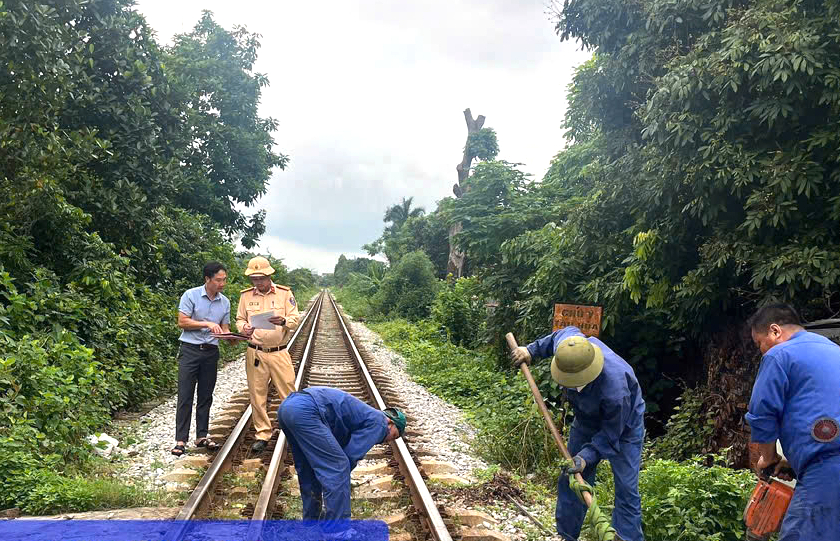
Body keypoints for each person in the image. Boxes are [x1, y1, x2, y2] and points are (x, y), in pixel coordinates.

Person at [512, 327, 645, 541]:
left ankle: (626, 537)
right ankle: (567, 535)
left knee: (626, 489)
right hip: (586, 420)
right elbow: (560, 334)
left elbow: (611, 434)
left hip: (624, 426)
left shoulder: (615, 392)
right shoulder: (569, 345)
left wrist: (586, 457)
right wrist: (530, 351)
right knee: (571, 476)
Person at [745, 303, 840, 540]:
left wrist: (768, 457)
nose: (761, 351)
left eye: (759, 344)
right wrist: (793, 465)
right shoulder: (832, 349)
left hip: (826, 467)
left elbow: (762, 413)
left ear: (775, 331)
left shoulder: (779, 355)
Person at [277, 386, 405, 522]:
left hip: (287, 407)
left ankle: (311, 521)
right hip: (307, 411)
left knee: (308, 469)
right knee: (338, 467)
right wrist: (334, 481)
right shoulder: (380, 423)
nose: (388, 440)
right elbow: (349, 457)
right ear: (390, 422)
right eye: (394, 435)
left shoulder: (365, 416)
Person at [236, 256, 300, 453]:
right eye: (254, 279)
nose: (258, 282)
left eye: (261, 278)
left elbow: (295, 318)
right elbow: (239, 319)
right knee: (257, 394)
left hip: (279, 352)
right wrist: (243, 327)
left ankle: (295, 432)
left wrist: (283, 321)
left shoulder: (284, 293)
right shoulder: (246, 296)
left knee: (289, 393)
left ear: (269, 275)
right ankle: (263, 434)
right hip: (255, 353)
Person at [172, 261, 231, 456]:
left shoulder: (225, 302)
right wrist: (206, 324)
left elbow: (224, 329)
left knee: (206, 395)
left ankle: (202, 435)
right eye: (218, 280)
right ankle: (180, 440)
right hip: (190, 350)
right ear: (207, 279)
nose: (222, 284)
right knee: (185, 394)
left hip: (211, 352)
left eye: (224, 280)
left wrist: (233, 337)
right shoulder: (191, 295)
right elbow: (182, 322)